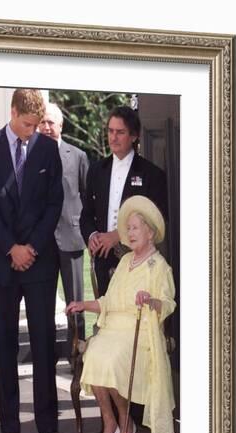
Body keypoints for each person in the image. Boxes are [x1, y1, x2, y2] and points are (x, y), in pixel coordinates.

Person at [0, 89, 64, 433]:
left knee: (43, 346)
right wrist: (12, 247)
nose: (31, 131)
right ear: (12, 113)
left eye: (36, 124)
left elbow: (53, 202)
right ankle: (8, 429)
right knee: (6, 346)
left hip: (40, 264)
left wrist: (33, 248)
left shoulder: (47, 148)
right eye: (27, 124)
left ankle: (48, 426)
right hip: (3, 263)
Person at [66, 196, 175, 433]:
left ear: (150, 232)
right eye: (128, 228)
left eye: (135, 227)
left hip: (139, 330)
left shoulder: (159, 266)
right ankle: (110, 422)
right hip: (112, 328)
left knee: (113, 361)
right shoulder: (125, 262)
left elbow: (169, 304)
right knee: (94, 356)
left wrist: (151, 301)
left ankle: (126, 424)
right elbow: (108, 302)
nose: (130, 233)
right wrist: (83, 305)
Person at [80, 105, 168, 297]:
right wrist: (92, 235)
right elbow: (86, 214)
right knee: (107, 317)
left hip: (138, 260)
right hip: (103, 260)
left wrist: (118, 235)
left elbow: (158, 220)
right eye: (110, 131)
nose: (113, 137)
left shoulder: (152, 174)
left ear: (134, 136)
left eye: (120, 132)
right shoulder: (96, 170)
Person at [38, 102, 89, 361]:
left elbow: (86, 196)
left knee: (76, 304)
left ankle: (76, 355)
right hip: (42, 243)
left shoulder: (78, 156)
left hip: (72, 238)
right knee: (43, 304)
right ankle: (46, 357)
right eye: (42, 122)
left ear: (61, 125)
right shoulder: (29, 155)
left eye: (51, 122)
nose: (46, 127)